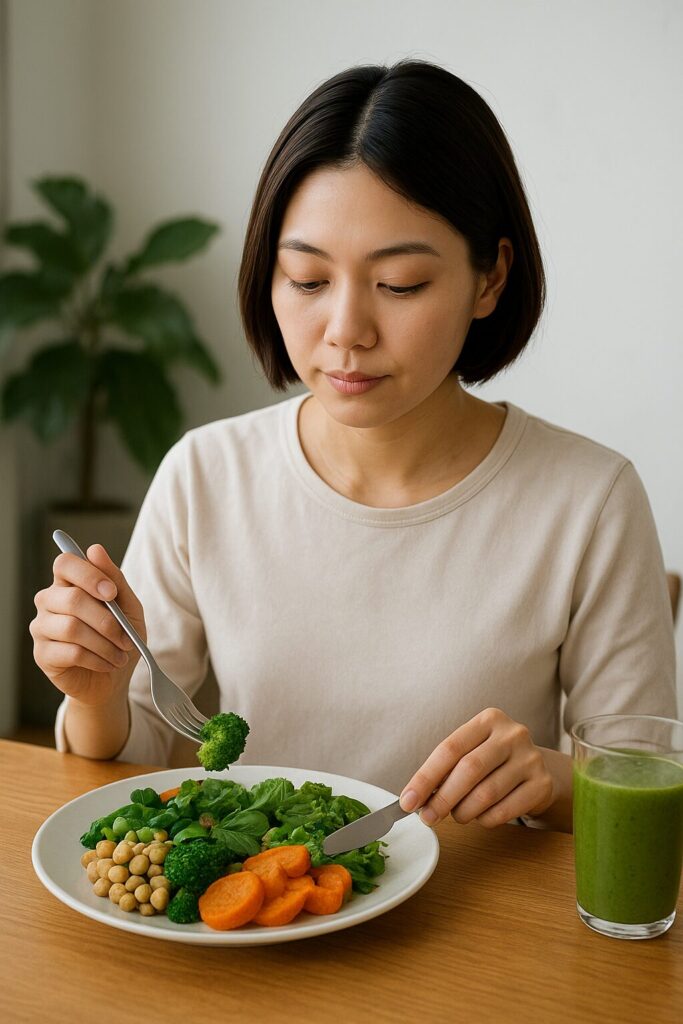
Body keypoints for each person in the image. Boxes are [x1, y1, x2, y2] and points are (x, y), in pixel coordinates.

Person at [31, 59, 676, 834]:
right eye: (306, 280)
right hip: (256, 927)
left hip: (473, 937)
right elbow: (138, 759)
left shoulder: (589, 500)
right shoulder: (204, 476)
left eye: (399, 284)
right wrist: (94, 697)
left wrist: (550, 777)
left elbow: (647, 787)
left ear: (489, 278)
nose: (345, 332)